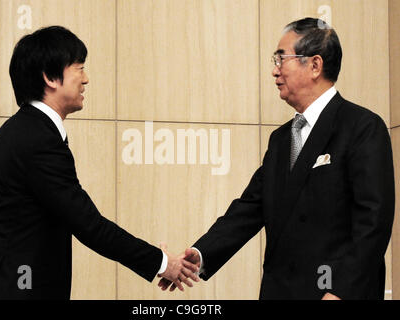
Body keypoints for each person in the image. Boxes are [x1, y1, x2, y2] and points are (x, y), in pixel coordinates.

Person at [159, 18, 395, 300]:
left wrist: (341, 291)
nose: (274, 71)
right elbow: (249, 208)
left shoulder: (362, 127)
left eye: (281, 59)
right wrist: (199, 255)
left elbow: (374, 222)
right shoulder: (282, 138)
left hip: (332, 293)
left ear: (315, 65)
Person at [0, 26, 198, 300]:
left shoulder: (26, 132)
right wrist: (163, 263)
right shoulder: (36, 140)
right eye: (79, 68)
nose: (86, 79)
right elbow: (89, 225)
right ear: (50, 77)